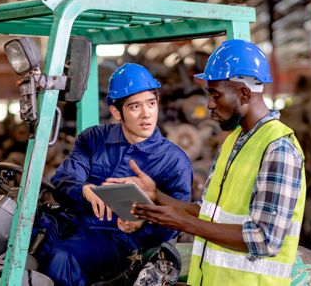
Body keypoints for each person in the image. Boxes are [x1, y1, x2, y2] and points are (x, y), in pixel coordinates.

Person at [108, 39, 306, 285]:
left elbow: (264, 239)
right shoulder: (234, 141)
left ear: (244, 94)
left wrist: (184, 223)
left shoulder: (278, 147)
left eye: (215, 94)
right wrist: (157, 196)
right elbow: (210, 212)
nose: (210, 104)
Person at [33, 63, 193, 286]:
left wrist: (142, 224)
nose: (146, 114)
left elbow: (177, 221)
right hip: (70, 224)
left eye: (151, 103)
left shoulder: (174, 161)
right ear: (116, 112)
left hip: (120, 240)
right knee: (17, 232)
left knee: (63, 259)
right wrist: (85, 191)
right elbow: (62, 181)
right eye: (135, 107)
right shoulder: (93, 139)